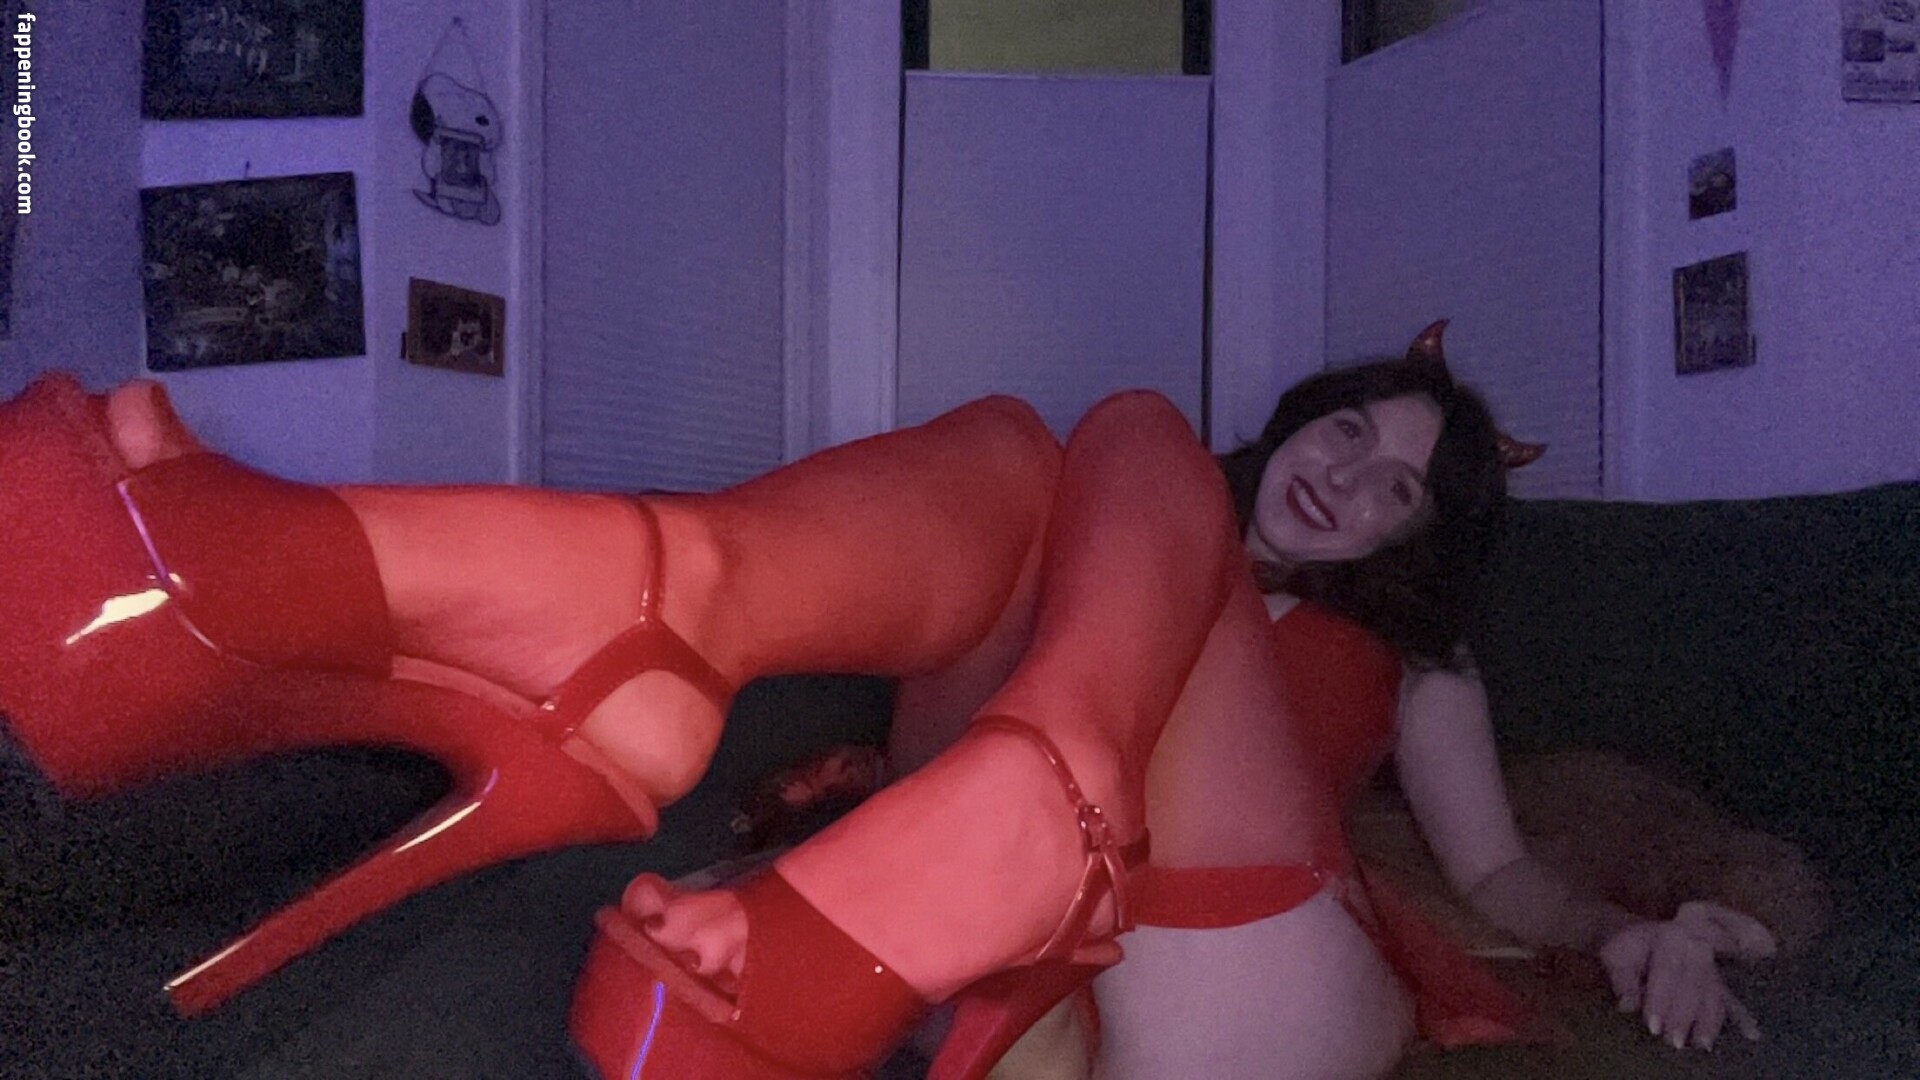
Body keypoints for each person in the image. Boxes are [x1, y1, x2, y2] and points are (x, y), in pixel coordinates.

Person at [0, 323, 1768, 1077]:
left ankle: (621, 635)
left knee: (1117, 438)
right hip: (972, 915)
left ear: (1418, 546)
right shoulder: (1090, 530)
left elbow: (1503, 873)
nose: (1351, 478)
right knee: (1033, 456)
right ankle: (664, 621)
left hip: (1240, 984)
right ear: (1303, 417)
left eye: (1401, 492)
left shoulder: (1418, 664)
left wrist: (1637, 924)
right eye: (1351, 432)